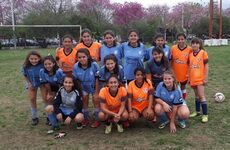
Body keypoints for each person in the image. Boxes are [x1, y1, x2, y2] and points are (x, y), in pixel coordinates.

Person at [73, 48, 100, 128]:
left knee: (96, 100)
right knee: (84, 100)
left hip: (94, 85)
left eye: (84, 57)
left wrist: (96, 92)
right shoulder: (75, 66)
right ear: (77, 58)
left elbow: (97, 78)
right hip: (83, 86)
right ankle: (85, 118)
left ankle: (97, 119)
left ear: (88, 56)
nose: (82, 59)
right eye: (79, 57)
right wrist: (81, 91)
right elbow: (77, 80)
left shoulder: (94, 64)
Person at [188, 38, 209, 123]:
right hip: (193, 79)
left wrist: (205, 78)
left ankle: (205, 114)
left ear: (199, 44)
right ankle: (197, 112)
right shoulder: (190, 54)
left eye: (197, 43)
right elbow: (189, 67)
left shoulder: (203, 53)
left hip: (200, 79)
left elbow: (207, 66)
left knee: (201, 96)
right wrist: (189, 78)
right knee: (196, 96)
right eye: (193, 43)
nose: (194, 45)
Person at [22, 51, 44, 125]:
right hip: (32, 83)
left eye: (35, 59)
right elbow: (25, 75)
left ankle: (49, 117)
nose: (34, 60)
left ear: (39, 58)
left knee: (45, 99)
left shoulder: (42, 65)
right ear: (28, 59)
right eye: (31, 59)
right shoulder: (26, 66)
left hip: (42, 83)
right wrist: (29, 83)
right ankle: (34, 117)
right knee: (32, 99)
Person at [171, 33, 192, 99]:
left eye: (182, 39)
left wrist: (189, 73)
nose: (180, 41)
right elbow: (170, 60)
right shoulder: (173, 48)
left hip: (184, 73)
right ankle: (175, 100)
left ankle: (183, 100)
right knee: (175, 87)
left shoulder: (189, 49)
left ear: (185, 40)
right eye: (179, 39)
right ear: (177, 40)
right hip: (175, 72)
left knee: (183, 87)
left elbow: (190, 62)